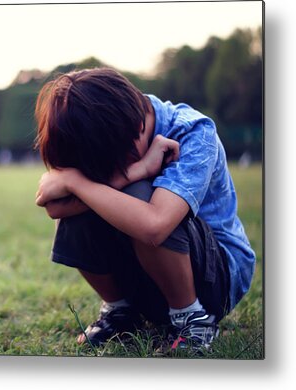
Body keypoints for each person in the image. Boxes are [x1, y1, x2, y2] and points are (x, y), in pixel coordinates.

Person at [34, 68, 256, 352]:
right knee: (89, 203)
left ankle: (193, 319)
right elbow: (54, 204)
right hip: (146, 273)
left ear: (139, 128)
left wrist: (79, 182)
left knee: (136, 195)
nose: (97, 173)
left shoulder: (193, 132)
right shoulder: (91, 126)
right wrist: (136, 169)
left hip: (215, 279)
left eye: (112, 165)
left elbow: (155, 225)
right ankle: (121, 313)